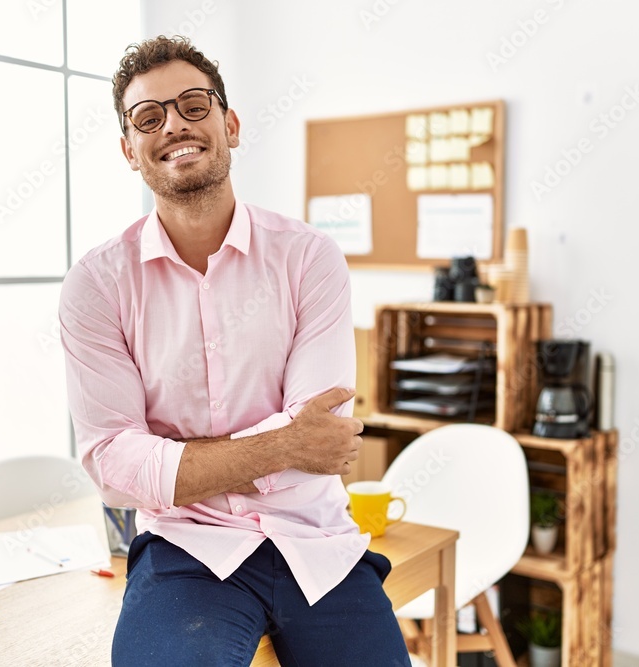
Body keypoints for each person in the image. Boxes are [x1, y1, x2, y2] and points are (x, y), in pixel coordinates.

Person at [58, 36, 412, 667]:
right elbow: (113, 464)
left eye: (194, 105)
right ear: (128, 150)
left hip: (315, 538)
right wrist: (283, 446)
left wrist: (172, 465)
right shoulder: (98, 284)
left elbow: (322, 434)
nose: (174, 125)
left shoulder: (309, 258)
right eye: (148, 117)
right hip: (187, 551)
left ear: (231, 124)